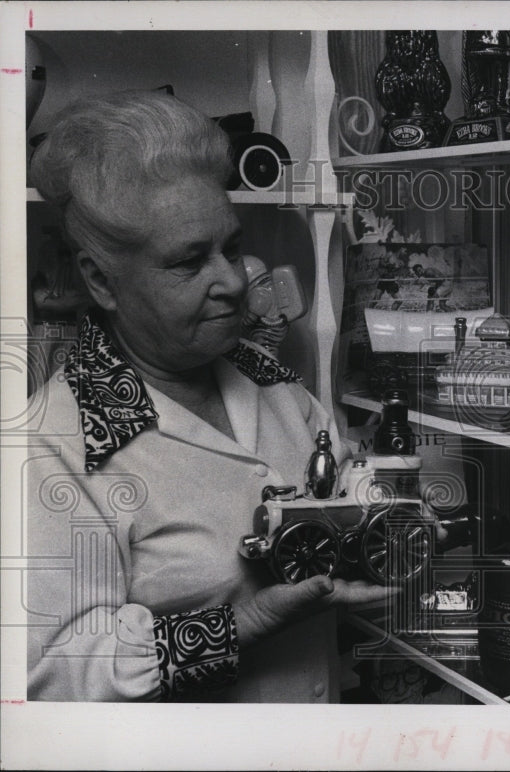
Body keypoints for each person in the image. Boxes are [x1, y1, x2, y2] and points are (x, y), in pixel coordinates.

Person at [25, 90, 398, 702]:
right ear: (100, 280)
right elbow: (45, 681)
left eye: (230, 246)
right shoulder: (55, 444)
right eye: (189, 262)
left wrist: (385, 527)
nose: (231, 279)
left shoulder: (271, 379)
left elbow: (339, 498)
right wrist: (247, 623)